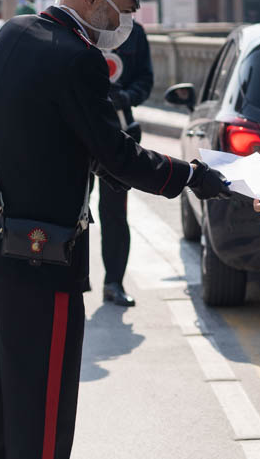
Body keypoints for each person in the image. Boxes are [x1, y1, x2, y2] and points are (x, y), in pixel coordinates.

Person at [0, 0, 230, 459]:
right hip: (43, 251)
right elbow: (117, 157)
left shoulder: (11, 34)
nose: (124, 24)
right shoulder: (77, 59)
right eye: (124, 10)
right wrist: (192, 175)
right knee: (43, 397)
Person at [99, 20, 153, 306]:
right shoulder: (81, 28)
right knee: (70, 208)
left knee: (115, 213)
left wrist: (127, 96)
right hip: (78, 129)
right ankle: (70, 281)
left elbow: (145, 78)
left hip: (121, 130)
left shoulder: (136, 33)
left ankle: (113, 283)